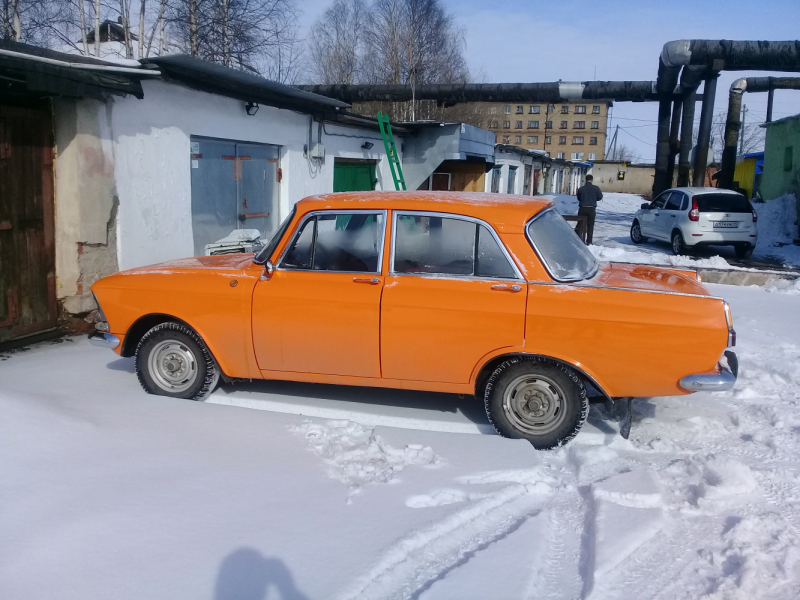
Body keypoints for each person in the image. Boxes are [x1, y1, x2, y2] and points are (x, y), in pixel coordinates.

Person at [575, 175, 602, 245]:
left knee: (580, 223)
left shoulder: (581, 189)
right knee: (590, 225)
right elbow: (600, 197)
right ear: (592, 180)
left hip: (583, 208)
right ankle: (589, 241)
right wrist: (593, 198)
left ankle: (578, 238)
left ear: (585, 179)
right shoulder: (596, 188)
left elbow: (579, 198)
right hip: (591, 209)